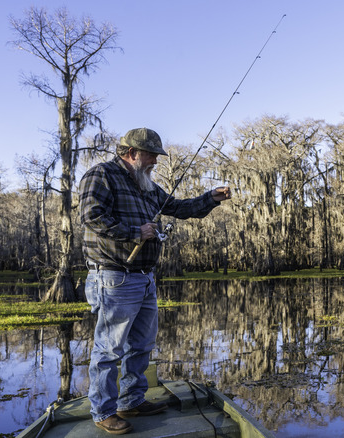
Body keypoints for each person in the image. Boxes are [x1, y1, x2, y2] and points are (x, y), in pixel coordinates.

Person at [79, 127, 231, 434]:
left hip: (144, 277)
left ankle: (131, 401)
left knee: (142, 345)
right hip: (113, 276)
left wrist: (211, 199)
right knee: (109, 350)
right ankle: (103, 412)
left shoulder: (145, 183)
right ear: (133, 153)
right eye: (152, 156)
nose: (156, 162)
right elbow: (91, 215)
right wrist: (134, 232)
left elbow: (178, 208)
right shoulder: (102, 175)